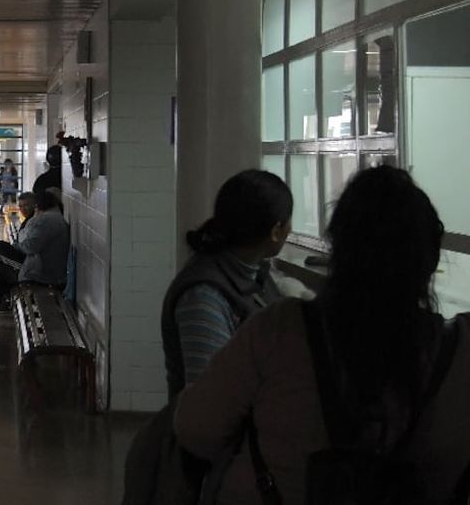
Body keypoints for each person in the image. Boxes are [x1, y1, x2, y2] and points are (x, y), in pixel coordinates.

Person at [174, 166, 470, 505]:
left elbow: (196, 429)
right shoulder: (459, 352)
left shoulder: (279, 329)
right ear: (430, 260)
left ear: (338, 251)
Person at [162, 169, 292, 395]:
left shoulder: (255, 273)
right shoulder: (203, 296)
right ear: (276, 231)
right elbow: (210, 398)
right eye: (289, 221)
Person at [0, 189, 69, 327]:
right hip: (42, 269)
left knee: (0, 251)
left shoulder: (46, 220)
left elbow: (29, 245)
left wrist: (19, 242)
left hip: (40, 275)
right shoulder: (54, 218)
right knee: (0, 268)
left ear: (39, 205)